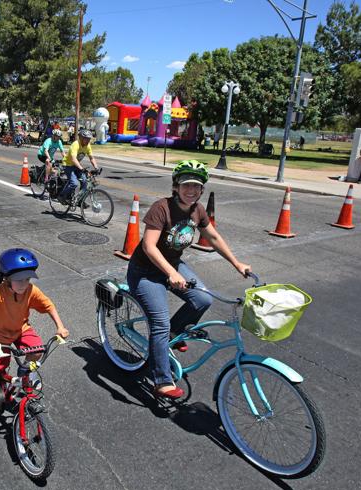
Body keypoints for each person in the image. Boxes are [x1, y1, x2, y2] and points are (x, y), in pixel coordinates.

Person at [128, 161, 251, 399]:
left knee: (203, 300)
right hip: (145, 271)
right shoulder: (161, 208)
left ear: (202, 189)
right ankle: (161, 380)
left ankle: (173, 334)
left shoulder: (198, 210)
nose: (191, 190)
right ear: (176, 187)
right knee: (159, 323)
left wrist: (237, 263)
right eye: (186, 185)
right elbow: (149, 246)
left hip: (173, 265)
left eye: (196, 186)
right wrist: (171, 273)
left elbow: (213, 237)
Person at [0, 248, 69, 420]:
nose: (24, 283)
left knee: (37, 350)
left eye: (27, 279)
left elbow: (48, 306)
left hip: (20, 329)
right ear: (6, 278)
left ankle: (27, 375)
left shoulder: (31, 290)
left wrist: (60, 327)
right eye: (19, 280)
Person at [58, 129, 98, 204]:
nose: (88, 140)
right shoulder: (75, 144)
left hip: (76, 165)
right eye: (86, 139)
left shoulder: (88, 146)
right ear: (81, 138)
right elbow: (73, 159)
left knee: (85, 181)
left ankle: (80, 201)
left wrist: (96, 168)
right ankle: (61, 196)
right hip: (67, 165)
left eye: (89, 139)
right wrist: (81, 168)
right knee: (74, 183)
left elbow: (91, 158)